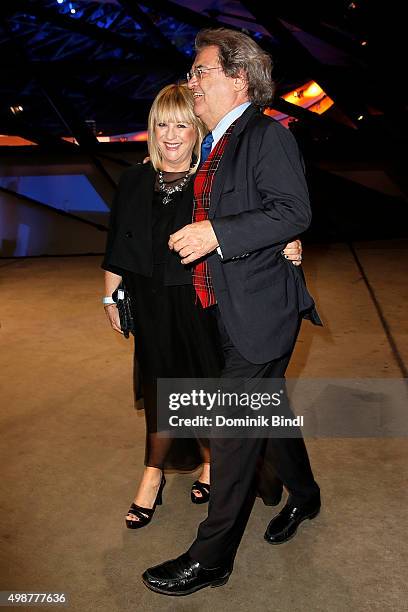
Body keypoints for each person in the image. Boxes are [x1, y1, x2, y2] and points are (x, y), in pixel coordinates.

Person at [142, 28, 322, 595]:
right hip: (220, 307)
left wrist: (220, 232)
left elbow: (293, 210)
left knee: (232, 429)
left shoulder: (265, 135)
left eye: (201, 71)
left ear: (238, 77)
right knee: (264, 415)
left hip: (262, 309)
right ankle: (307, 495)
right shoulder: (214, 143)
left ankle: (212, 557)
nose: (191, 82)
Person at [102, 83, 303, 529]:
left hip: (201, 305)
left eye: (181, 125)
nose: (171, 135)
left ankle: (213, 464)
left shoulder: (211, 181)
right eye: (161, 125)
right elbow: (117, 245)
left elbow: (259, 219)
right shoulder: (134, 178)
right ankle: (151, 477)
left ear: (197, 131)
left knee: (206, 394)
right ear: (151, 130)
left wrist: (289, 243)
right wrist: (109, 295)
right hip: (150, 307)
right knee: (162, 395)